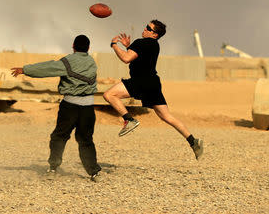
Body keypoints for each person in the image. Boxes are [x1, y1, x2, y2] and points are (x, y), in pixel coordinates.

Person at [103, 20, 204, 160]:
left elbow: (126, 58)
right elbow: (137, 56)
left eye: (148, 28)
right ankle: (193, 141)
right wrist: (129, 46)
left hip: (140, 81)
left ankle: (129, 120)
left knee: (109, 95)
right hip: (153, 84)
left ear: (154, 34)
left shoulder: (141, 42)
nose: (144, 29)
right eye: (146, 26)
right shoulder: (154, 45)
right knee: (166, 116)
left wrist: (114, 45)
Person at [11, 35, 102, 181]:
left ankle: (53, 168)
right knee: (86, 139)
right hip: (88, 108)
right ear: (88, 48)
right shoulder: (92, 62)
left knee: (59, 136)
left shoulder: (68, 61)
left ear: (73, 46)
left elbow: (48, 68)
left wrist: (25, 70)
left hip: (70, 106)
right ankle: (94, 172)